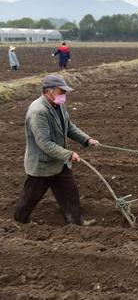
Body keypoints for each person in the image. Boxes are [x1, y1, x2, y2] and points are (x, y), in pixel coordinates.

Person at [14, 75, 99, 225]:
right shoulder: (38, 111)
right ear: (48, 91)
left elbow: (69, 127)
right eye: (62, 92)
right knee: (30, 198)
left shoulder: (58, 104)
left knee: (70, 194)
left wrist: (86, 139)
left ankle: (75, 223)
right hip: (42, 164)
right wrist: (68, 154)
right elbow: (44, 143)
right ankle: (19, 223)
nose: (64, 95)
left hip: (59, 162)